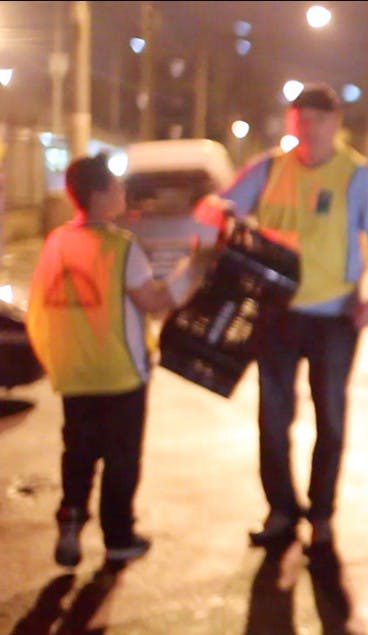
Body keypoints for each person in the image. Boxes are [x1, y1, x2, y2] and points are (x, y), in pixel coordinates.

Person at [195, 82, 368, 549]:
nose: (309, 129)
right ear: (291, 122)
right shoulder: (269, 169)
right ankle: (281, 512)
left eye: (318, 120)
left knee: (329, 418)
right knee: (273, 418)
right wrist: (214, 218)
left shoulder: (358, 177)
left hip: (335, 318)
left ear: (335, 123)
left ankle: (322, 514)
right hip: (275, 314)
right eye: (301, 119)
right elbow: (220, 206)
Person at [26, 153, 205, 568]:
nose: (124, 192)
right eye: (118, 186)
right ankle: (118, 537)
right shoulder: (121, 247)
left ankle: (71, 518)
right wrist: (193, 269)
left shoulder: (57, 242)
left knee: (79, 452)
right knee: (121, 459)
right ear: (101, 194)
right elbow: (155, 300)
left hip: (73, 372)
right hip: (120, 373)